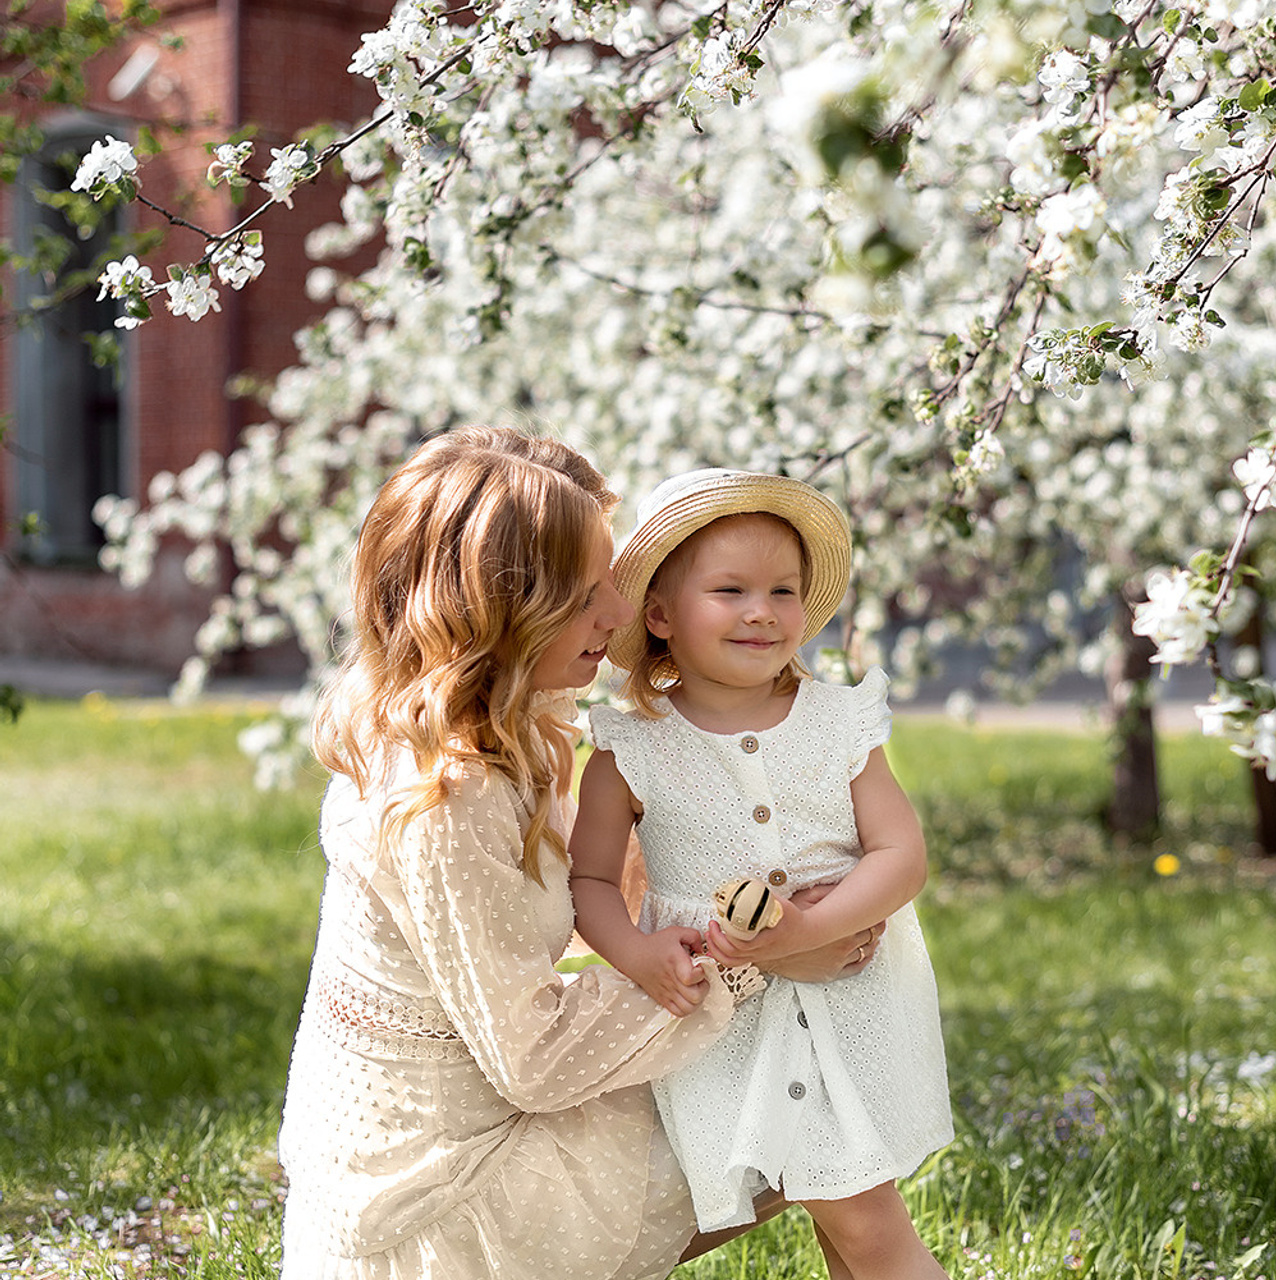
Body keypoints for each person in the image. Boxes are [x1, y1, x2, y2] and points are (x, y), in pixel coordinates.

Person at [276, 427, 882, 1280]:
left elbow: (598, 902)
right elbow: (533, 1059)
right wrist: (763, 965)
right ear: (501, 605)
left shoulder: (506, 731)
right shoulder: (447, 796)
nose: (623, 612)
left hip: (452, 1153)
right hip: (442, 1212)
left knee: (795, 1081)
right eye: (589, 589)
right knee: (799, 1099)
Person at [569, 468, 954, 1280]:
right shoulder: (630, 746)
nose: (761, 610)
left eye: (783, 591)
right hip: (724, 1020)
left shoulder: (837, 720)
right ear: (662, 615)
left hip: (851, 999)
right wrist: (636, 955)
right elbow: (591, 882)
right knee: (849, 1222)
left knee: (864, 1224)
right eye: (731, 590)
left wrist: (810, 929)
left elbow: (899, 853)